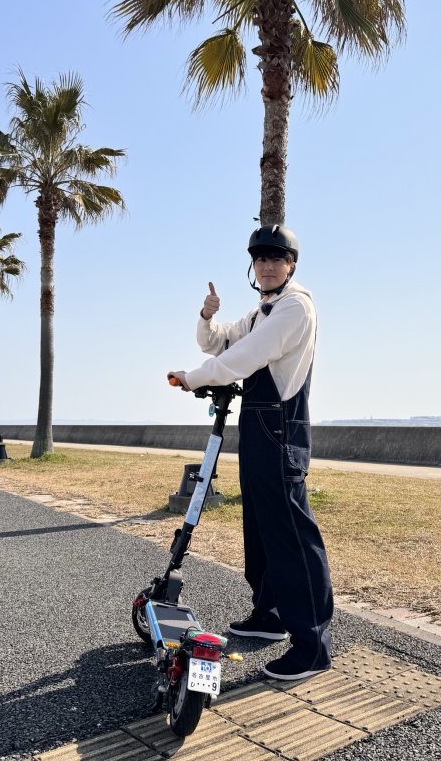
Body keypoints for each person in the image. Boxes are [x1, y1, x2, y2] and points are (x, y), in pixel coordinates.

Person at [168, 224, 333, 681]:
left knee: (292, 536)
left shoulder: (294, 307)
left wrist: (193, 377)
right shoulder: (265, 308)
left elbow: (244, 357)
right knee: (260, 530)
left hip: (280, 428)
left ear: (292, 263)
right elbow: (221, 341)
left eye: (276, 258)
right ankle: (271, 616)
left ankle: (313, 645)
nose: (267, 265)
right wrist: (206, 315)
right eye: (260, 258)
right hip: (259, 427)